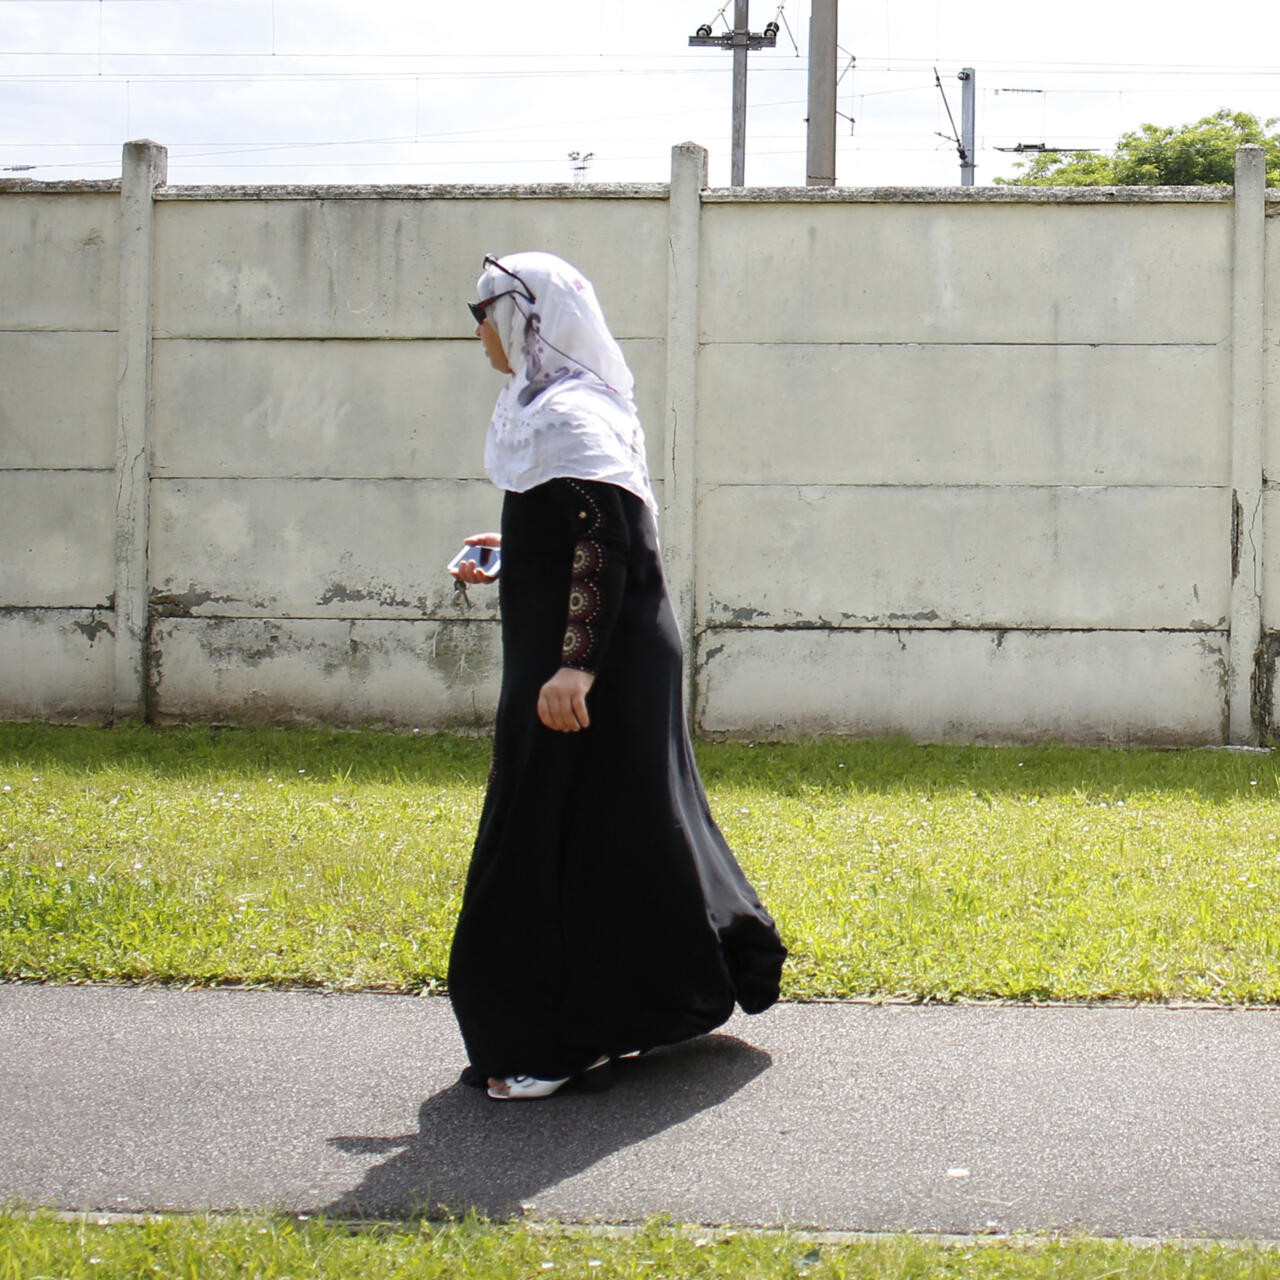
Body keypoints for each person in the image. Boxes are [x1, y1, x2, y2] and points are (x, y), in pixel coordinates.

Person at [447, 251, 786, 1101]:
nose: (476, 330)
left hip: (593, 667)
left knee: (549, 837)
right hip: (593, 657)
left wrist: (574, 668)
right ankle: (628, 1011)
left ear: (524, 316)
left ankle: (555, 1041)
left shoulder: (569, 413)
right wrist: (510, 553)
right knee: (615, 832)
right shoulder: (553, 408)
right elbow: (573, 530)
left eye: (480, 311)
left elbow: (609, 546)